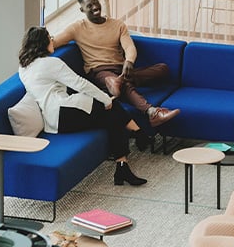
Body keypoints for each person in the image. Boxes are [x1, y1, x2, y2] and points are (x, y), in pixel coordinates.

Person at [18, 26, 147, 187]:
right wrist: (105, 99)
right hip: (64, 111)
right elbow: (79, 83)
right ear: (42, 43)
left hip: (53, 122)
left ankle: (124, 163)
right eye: (49, 38)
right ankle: (138, 133)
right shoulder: (50, 63)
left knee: (111, 116)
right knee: (111, 108)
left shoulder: (23, 68)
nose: (52, 40)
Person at [52, 0, 180, 129]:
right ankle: (152, 113)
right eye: (89, 6)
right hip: (99, 72)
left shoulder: (117, 25)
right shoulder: (76, 28)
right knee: (124, 86)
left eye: (96, 3)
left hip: (121, 70)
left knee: (163, 69)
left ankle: (116, 84)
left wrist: (129, 61)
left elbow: (129, 47)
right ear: (82, 9)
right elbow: (54, 42)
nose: (95, 7)